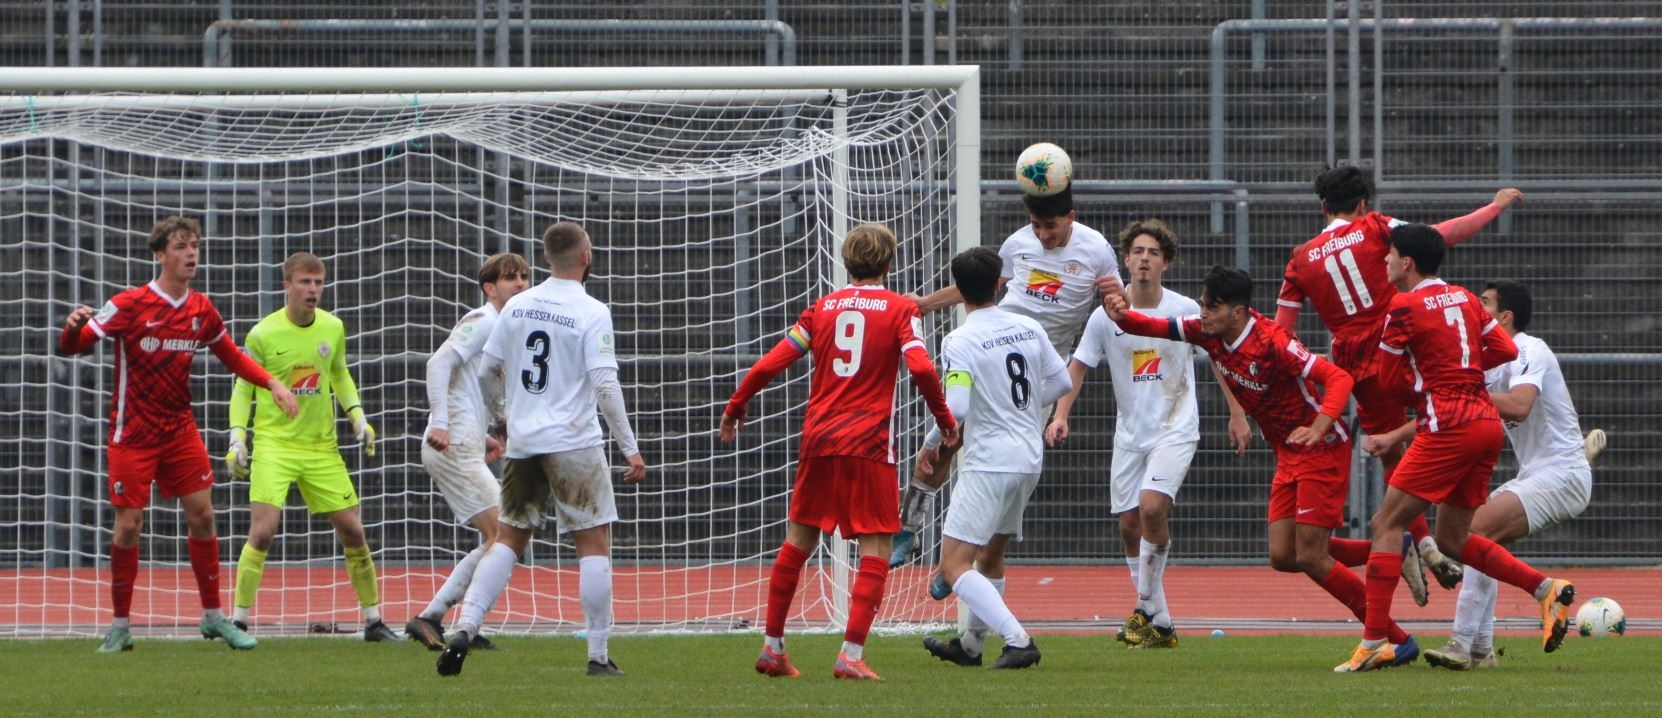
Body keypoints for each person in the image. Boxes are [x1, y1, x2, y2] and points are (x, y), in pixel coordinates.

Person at [1105, 265, 1421, 666]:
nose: (1201, 313)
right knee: (1283, 555)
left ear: (1236, 313)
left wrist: (1319, 425)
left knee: (1311, 556)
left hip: (1322, 448)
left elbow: (1338, 378)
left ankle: (1391, 638)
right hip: (1289, 452)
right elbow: (1153, 326)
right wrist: (1121, 315)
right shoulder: (1208, 331)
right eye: (1202, 305)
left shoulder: (1274, 342)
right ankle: (1391, 549)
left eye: (1210, 307)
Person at [721, 223, 958, 681]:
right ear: (889, 264)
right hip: (868, 444)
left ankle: (772, 647)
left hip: (819, 440)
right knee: (877, 544)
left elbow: (773, 360)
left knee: (798, 541)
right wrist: (945, 422)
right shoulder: (899, 308)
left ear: (847, 263)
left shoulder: (822, 309)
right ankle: (850, 655)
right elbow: (923, 370)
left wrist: (736, 404)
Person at [1276, 166, 1524, 602]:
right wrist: (1493, 207)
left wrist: (1309, 386)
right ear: (1361, 205)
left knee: (1393, 449)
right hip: (1402, 340)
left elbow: (1284, 333)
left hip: (1356, 362)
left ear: (1323, 207)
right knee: (1442, 415)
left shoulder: (1300, 258)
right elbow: (1437, 237)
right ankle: (1436, 532)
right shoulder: (1376, 227)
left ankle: (1424, 543)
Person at [1337, 225, 1575, 673]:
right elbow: (1503, 349)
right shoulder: (1466, 298)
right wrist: (1460, 368)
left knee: (1386, 522)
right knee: (1452, 538)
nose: (1384, 262)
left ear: (1407, 262)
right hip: (1484, 423)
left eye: (1389, 256)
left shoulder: (1403, 307)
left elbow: (1389, 383)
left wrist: (1432, 378)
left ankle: (1372, 641)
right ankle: (1545, 589)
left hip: (1447, 423)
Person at [59, 216, 298, 653]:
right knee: (129, 525)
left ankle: (212, 617)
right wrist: (72, 326)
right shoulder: (129, 304)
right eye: (181, 246)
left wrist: (274, 384)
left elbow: (232, 356)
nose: (191, 253)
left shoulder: (201, 309)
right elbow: (72, 347)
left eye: (195, 246)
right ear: (160, 255)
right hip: (132, 433)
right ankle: (120, 625)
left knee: (203, 515)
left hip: (178, 430)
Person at [437, 222, 646, 678]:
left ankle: (465, 627)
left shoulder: (517, 307)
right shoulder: (592, 310)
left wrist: (505, 418)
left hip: (525, 443)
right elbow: (605, 385)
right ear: (586, 256)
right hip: (574, 441)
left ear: (546, 259)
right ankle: (597, 656)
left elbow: (489, 367)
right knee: (592, 543)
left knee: (508, 540)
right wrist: (629, 447)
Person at [893, 186, 1122, 566]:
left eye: (1050, 227)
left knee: (1010, 470)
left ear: (1071, 218)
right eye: (1036, 226)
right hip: (992, 349)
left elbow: (1118, 306)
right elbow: (979, 286)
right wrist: (925, 305)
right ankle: (910, 529)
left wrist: (1119, 302)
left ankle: (967, 560)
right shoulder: (1018, 244)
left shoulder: (1097, 251)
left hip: (1039, 370)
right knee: (947, 442)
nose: (1043, 235)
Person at [1046, 219, 1220, 648]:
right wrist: (1059, 414)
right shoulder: (1105, 316)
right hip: (1129, 434)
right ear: (1126, 259)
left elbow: (1217, 356)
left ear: (1166, 263)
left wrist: (1236, 413)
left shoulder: (1183, 310)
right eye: (1138, 251)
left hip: (1175, 427)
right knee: (1128, 524)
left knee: (1152, 508)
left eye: (1153, 253)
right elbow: (1080, 365)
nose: (1144, 258)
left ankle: (1143, 608)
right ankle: (1159, 622)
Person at [1418, 280, 1593, 670]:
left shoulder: (1530, 349)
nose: (1476, 308)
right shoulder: (1485, 364)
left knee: (1473, 532)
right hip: (1539, 474)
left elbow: (1519, 406)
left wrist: (1462, 392)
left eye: (1484, 303)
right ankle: (1481, 650)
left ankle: (1463, 645)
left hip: (1563, 474)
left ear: (1504, 316)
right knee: (1478, 541)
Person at [225, 252, 394, 642]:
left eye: (318, 282)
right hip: (275, 445)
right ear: (287, 285)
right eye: (305, 282)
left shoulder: (332, 327)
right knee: (263, 532)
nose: (313, 289)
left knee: (353, 530)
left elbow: (338, 372)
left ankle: (374, 620)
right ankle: (237, 621)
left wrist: (358, 417)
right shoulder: (262, 334)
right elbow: (244, 387)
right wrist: (238, 436)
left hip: (321, 448)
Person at [913, 246, 1068, 670]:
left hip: (989, 461)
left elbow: (957, 408)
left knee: (952, 566)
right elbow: (1059, 381)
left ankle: (1018, 639)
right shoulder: (1028, 326)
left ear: (959, 290)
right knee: (990, 558)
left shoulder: (960, 340)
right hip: (1028, 458)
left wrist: (931, 443)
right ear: (1000, 283)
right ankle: (971, 646)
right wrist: (1019, 407)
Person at [404, 253, 531, 651]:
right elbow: (438, 363)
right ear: (489, 288)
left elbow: (478, 387)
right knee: (507, 536)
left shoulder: (503, 330)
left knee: (504, 538)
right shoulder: (483, 321)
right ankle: (438, 618)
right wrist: (440, 420)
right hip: (451, 443)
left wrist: (490, 435)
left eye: (525, 277)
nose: (521, 284)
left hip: (466, 441)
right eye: (511, 278)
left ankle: (445, 619)